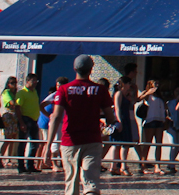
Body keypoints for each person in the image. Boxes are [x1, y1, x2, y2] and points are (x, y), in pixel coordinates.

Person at [43, 55, 119, 195]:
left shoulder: (64, 90)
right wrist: (114, 125)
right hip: (92, 140)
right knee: (91, 182)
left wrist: (48, 146)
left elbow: (55, 117)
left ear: (74, 68)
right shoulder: (100, 90)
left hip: (70, 141)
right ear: (91, 70)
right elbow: (110, 117)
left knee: (72, 181)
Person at [135, 80, 165, 174]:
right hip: (150, 121)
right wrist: (148, 92)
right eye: (154, 84)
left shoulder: (159, 96)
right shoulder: (147, 94)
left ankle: (158, 166)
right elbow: (138, 99)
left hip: (160, 120)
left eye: (157, 84)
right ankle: (143, 166)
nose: (156, 85)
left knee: (159, 144)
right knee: (147, 144)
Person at [39, 78, 68, 173]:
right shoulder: (55, 95)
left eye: (60, 85)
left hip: (65, 122)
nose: (58, 87)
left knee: (63, 143)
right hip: (56, 122)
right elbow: (42, 105)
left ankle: (62, 163)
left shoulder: (69, 94)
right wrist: (49, 115)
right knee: (55, 143)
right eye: (57, 85)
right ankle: (54, 164)